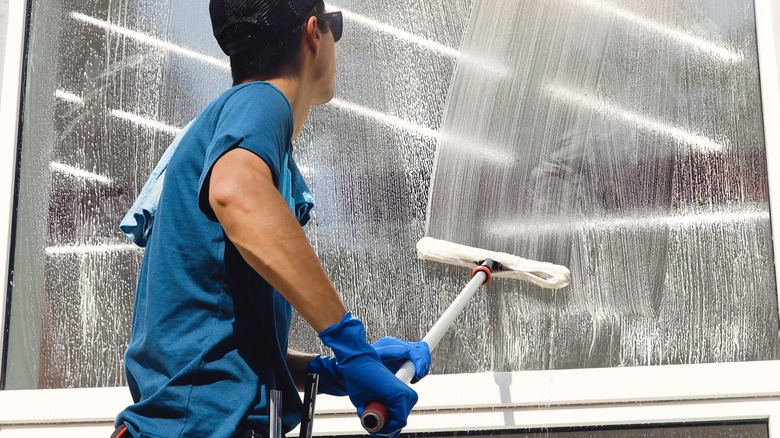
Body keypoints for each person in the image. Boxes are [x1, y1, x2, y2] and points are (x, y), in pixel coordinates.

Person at [112, 0, 431, 436]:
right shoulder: (261, 101)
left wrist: (327, 369)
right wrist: (349, 342)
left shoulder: (233, 127)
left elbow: (214, 348)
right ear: (313, 32)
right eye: (335, 26)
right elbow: (235, 193)